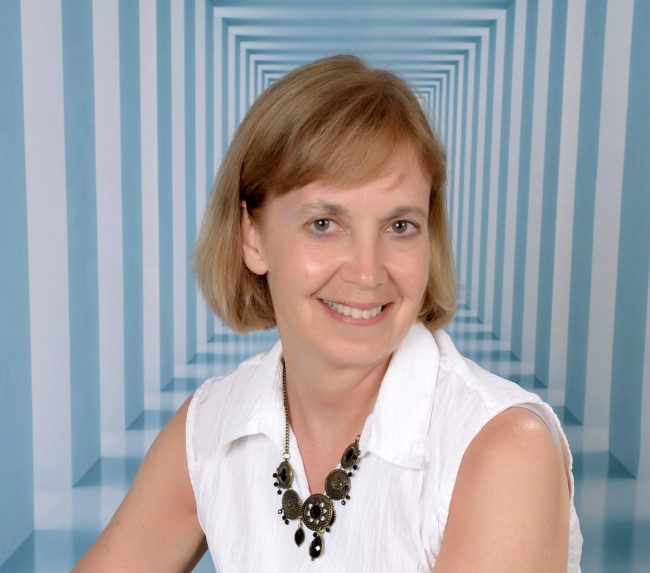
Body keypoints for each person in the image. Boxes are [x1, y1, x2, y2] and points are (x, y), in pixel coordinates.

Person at [74, 54, 583, 571]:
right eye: (324, 223)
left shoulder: (503, 450)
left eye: (400, 226)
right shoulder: (212, 427)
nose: (367, 273)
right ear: (252, 236)